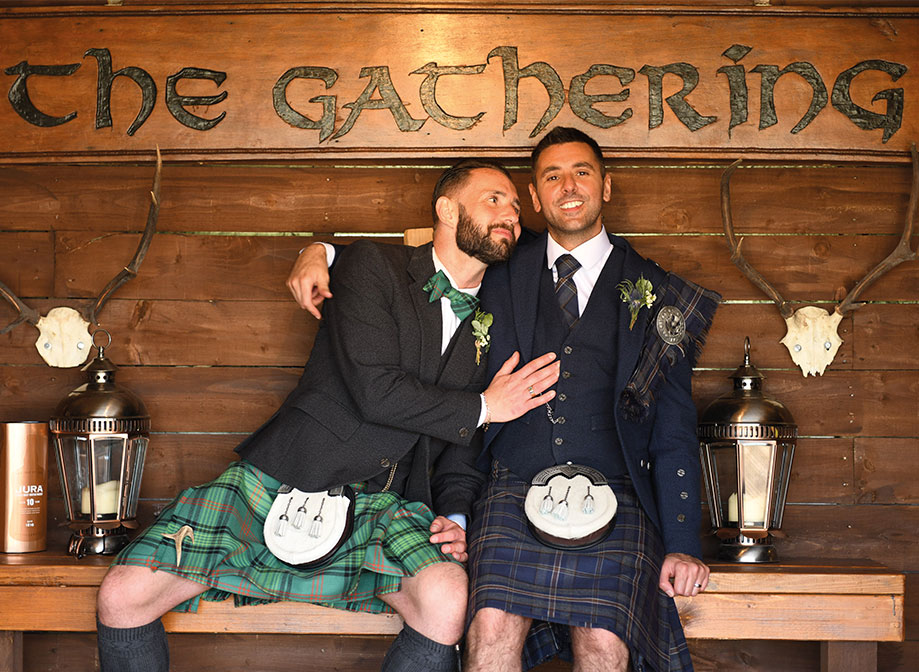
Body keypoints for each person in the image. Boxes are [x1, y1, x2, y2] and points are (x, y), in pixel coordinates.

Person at [94, 158, 562, 672]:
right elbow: (375, 390)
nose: (510, 215)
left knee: (447, 600)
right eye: (494, 199)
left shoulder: (499, 317)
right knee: (122, 594)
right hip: (287, 474)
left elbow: (463, 442)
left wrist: (455, 514)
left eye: (516, 207)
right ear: (446, 210)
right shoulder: (371, 266)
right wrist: (485, 406)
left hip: (389, 499)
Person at [289, 128, 721, 672]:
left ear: (606, 186)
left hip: (616, 493)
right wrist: (322, 252)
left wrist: (683, 541)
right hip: (510, 486)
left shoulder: (658, 290)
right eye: (551, 176)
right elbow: (418, 269)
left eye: (582, 172)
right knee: (489, 628)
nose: (569, 186)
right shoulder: (498, 263)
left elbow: (675, 428)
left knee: (604, 640)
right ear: (536, 198)